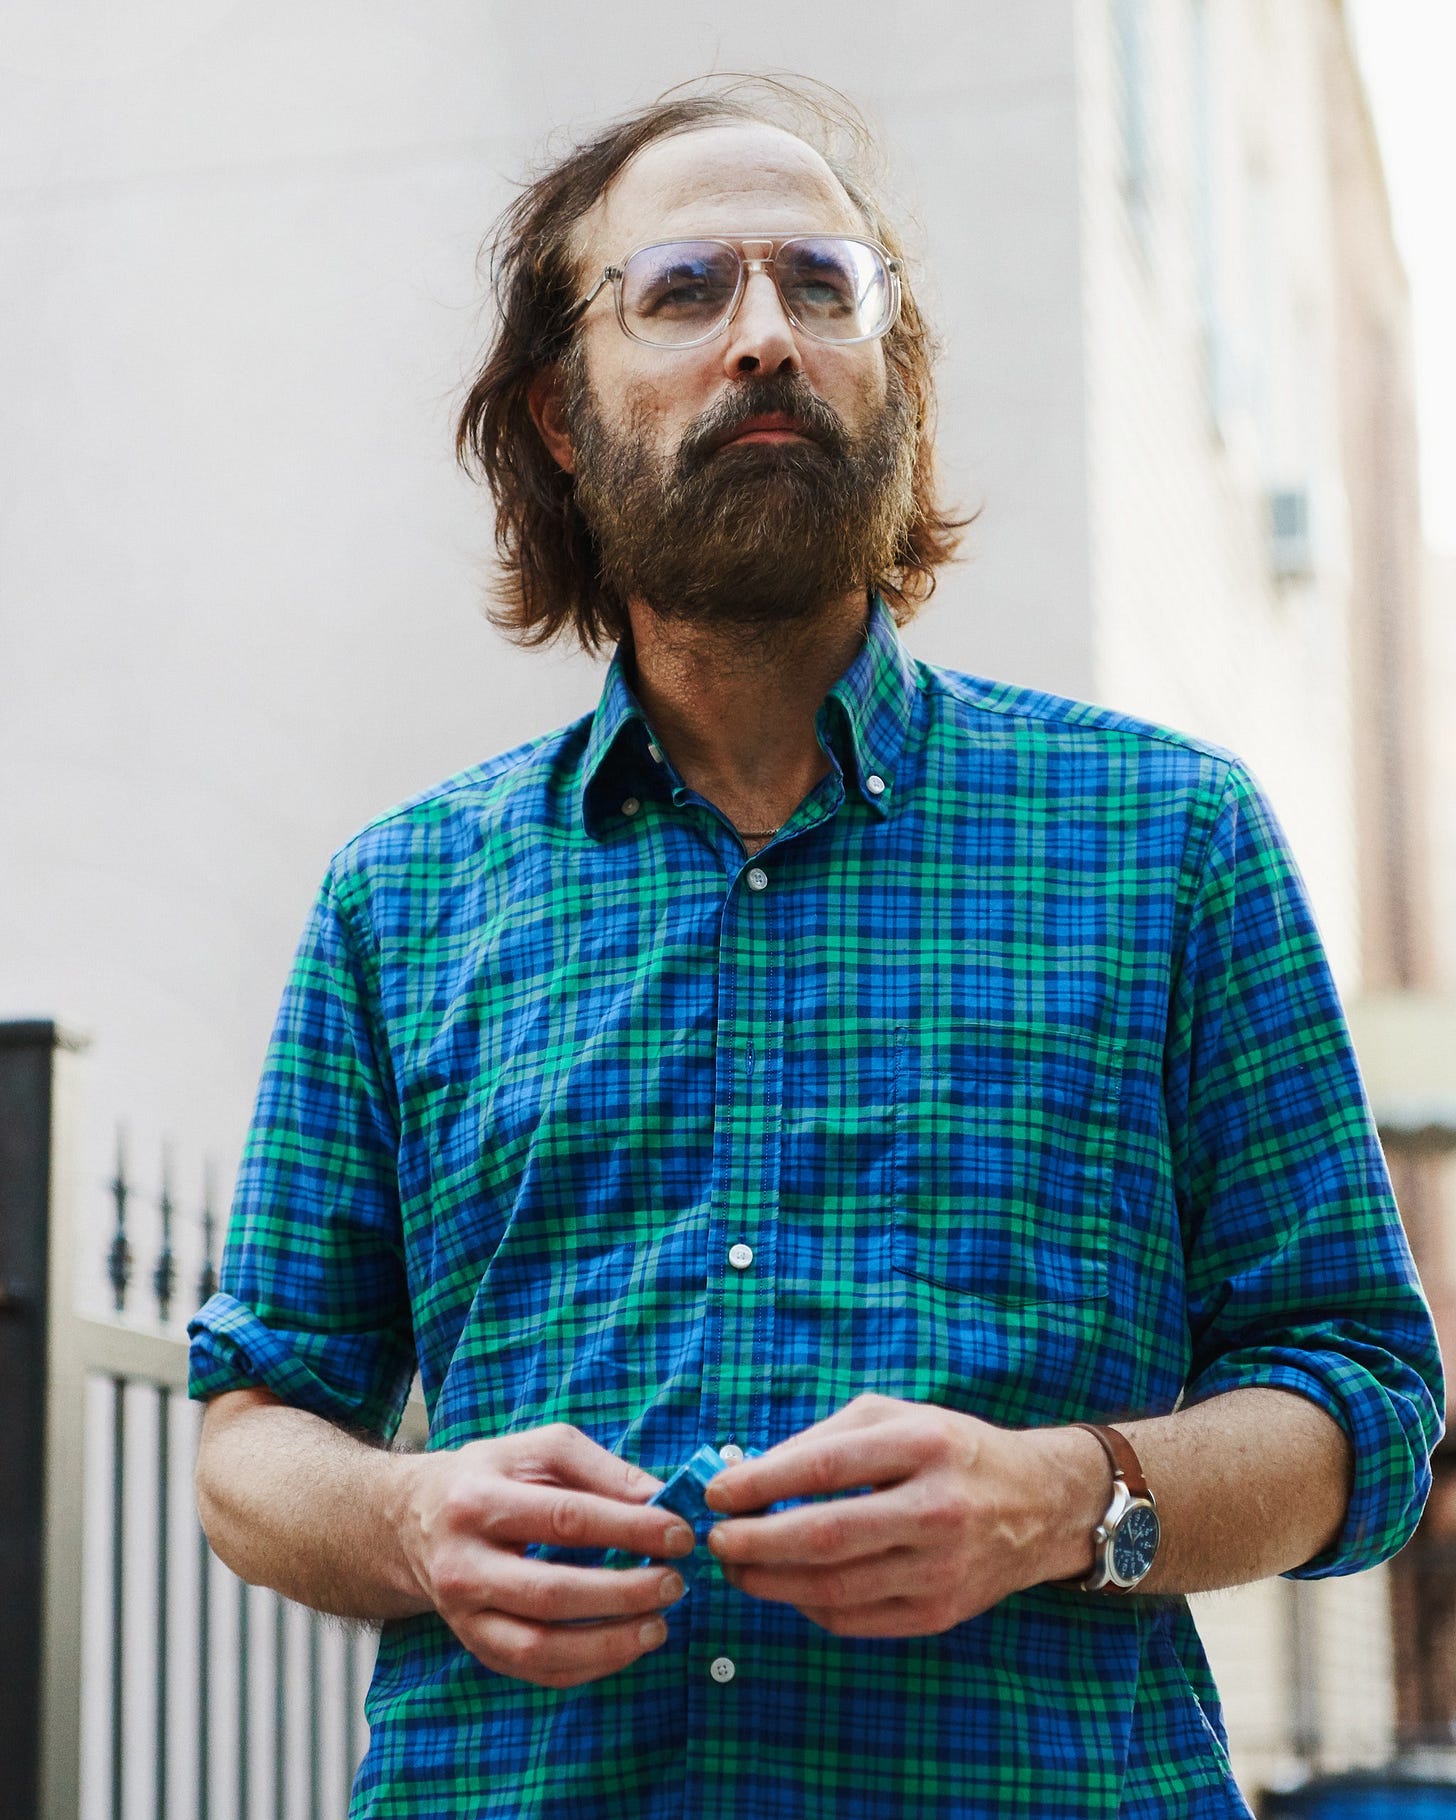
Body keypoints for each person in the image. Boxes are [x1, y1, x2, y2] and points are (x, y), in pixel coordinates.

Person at [189, 78, 1443, 1820]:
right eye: (687, 289)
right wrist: (408, 1517)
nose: (768, 336)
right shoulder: (398, 901)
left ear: (894, 383)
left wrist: (1064, 1498)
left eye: (824, 287)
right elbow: (251, 1434)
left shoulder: (1172, 837)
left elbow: (1362, 1408)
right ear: (560, 414)